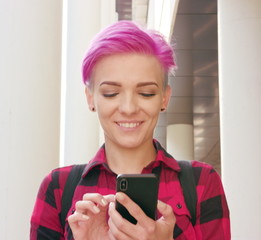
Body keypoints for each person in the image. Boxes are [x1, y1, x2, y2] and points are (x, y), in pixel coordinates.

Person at [30, 20, 230, 240]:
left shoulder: (202, 182)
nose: (128, 108)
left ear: (164, 98)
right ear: (91, 98)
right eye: (110, 93)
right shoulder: (58, 188)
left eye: (146, 93)